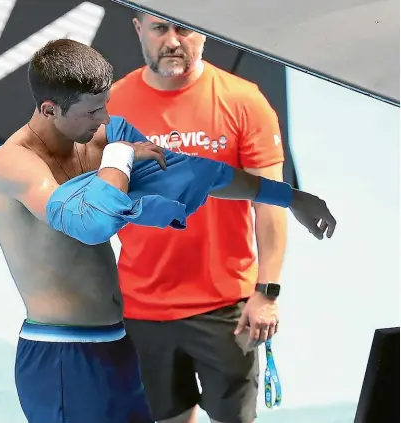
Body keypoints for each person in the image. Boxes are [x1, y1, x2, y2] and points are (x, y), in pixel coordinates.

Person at [0, 38, 335, 423]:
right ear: (50, 109)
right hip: (63, 357)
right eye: (92, 111)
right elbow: (92, 222)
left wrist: (289, 197)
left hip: (118, 346)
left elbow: (197, 173)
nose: (104, 120)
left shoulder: (102, 135)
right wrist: (122, 154)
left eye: (106, 107)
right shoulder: (14, 165)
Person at [106, 12, 318, 423]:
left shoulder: (244, 101)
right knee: (167, 417)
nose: (172, 40)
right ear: (138, 30)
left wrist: (267, 293)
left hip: (228, 307)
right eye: (159, 28)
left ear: (204, 31)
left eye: (183, 27)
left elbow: (271, 203)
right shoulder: (113, 105)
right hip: (143, 305)